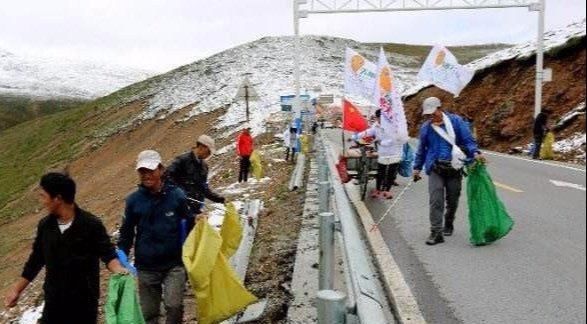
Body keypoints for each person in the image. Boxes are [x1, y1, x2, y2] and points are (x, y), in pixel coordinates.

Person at [4, 172, 127, 324]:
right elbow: (36, 260)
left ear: (58, 198)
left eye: (43, 196)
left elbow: (108, 255)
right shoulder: (45, 226)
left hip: (83, 305)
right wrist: (17, 290)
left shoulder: (90, 225)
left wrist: (119, 271)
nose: (41, 201)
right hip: (54, 303)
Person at [118, 150, 191, 324]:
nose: (146, 175)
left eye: (150, 170)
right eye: (142, 171)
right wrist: (122, 254)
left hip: (174, 264)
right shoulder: (133, 201)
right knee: (149, 313)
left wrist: (198, 223)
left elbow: (189, 225)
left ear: (161, 170)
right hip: (146, 267)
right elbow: (127, 231)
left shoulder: (177, 196)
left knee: (174, 306)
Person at [413, 97, 485, 246]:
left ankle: (449, 221)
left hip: (454, 167)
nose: (431, 116)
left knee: (453, 199)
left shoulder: (456, 122)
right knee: (436, 199)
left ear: (440, 108)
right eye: (428, 115)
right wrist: (417, 168)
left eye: (433, 113)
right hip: (435, 167)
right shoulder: (426, 128)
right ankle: (436, 232)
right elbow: (421, 149)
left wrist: (475, 152)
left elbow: (468, 141)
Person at [166, 134, 226, 221]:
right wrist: (180, 193)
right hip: (179, 209)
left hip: (195, 210)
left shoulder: (204, 167)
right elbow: (167, 177)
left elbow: (204, 189)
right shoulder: (182, 160)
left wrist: (220, 199)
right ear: (202, 147)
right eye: (209, 152)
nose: (209, 155)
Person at [353, 109, 406, 199]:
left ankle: (387, 191)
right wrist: (356, 136)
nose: (379, 120)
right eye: (378, 118)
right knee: (380, 171)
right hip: (382, 153)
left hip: (394, 152)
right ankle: (378, 190)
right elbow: (369, 132)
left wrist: (381, 142)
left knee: (391, 172)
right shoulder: (376, 126)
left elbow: (393, 139)